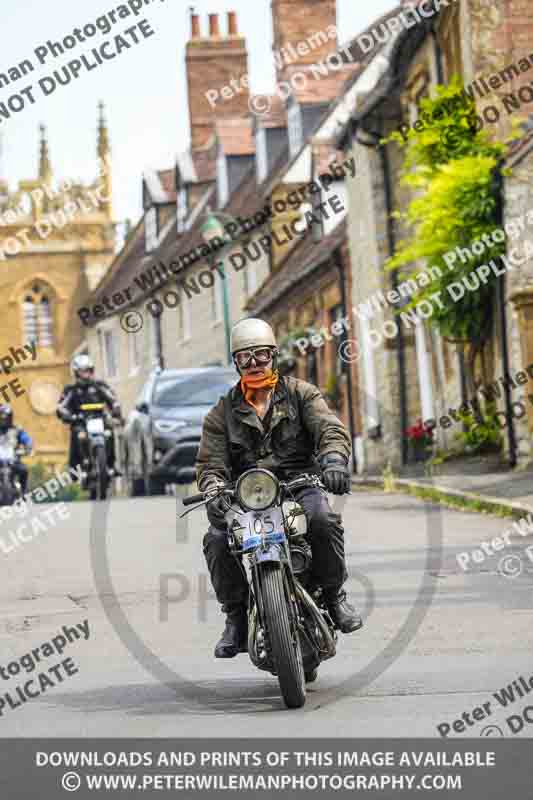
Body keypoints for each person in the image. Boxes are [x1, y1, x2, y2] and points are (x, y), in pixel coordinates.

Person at [196, 318, 362, 659]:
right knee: (216, 538)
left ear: (274, 356)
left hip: (299, 485)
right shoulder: (220, 413)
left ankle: (333, 597)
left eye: (261, 355)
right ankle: (236, 620)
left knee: (322, 520)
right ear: (236, 362)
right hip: (246, 495)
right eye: (245, 357)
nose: (254, 363)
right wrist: (214, 489)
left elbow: (329, 429)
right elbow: (210, 464)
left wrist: (333, 461)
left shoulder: (302, 394)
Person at [56, 354, 122, 479]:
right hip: (80, 420)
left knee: (109, 433)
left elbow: (113, 400)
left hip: (100, 419)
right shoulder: (71, 389)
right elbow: (61, 406)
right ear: (76, 373)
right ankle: (75, 469)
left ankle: (111, 465)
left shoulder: (100, 385)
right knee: (78, 434)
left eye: (88, 370)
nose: (86, 374)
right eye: (82, 371)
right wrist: (67, 415)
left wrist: (116, 410)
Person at [0, 404, 32, 494]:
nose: (3, 420)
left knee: (24, 470)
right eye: (1, 418)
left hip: (13, 460)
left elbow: (27, 439)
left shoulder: (17, 430)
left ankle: (23, 491)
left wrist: (28, 448)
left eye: (5, 418)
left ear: (10, 418)